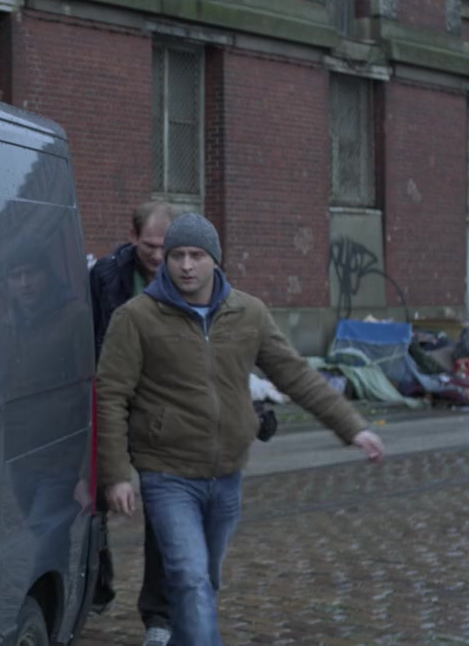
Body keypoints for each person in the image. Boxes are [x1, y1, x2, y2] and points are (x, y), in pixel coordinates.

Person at [96, 213, 385, 646]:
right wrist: (117, 474)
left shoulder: (249, 313)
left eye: (197, 255)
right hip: (167, 474)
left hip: (226, 473)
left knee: (204, 582)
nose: (186, 265)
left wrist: (352, 427)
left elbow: (295, 375)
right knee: (190, 578)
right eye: (177, 255)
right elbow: (110, 394)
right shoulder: (136, 317)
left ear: (215, 260)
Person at [87, 200, 176, 645]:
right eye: (149, 246)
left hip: (163, 409)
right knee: (96, 497)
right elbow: (91, 336)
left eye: (165, 247)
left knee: (163, 511)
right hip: (116, 401)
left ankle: (159, 617)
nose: (157, 256)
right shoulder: (106, 276)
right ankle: (95, 585)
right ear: (133, 237)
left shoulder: (190, 274)